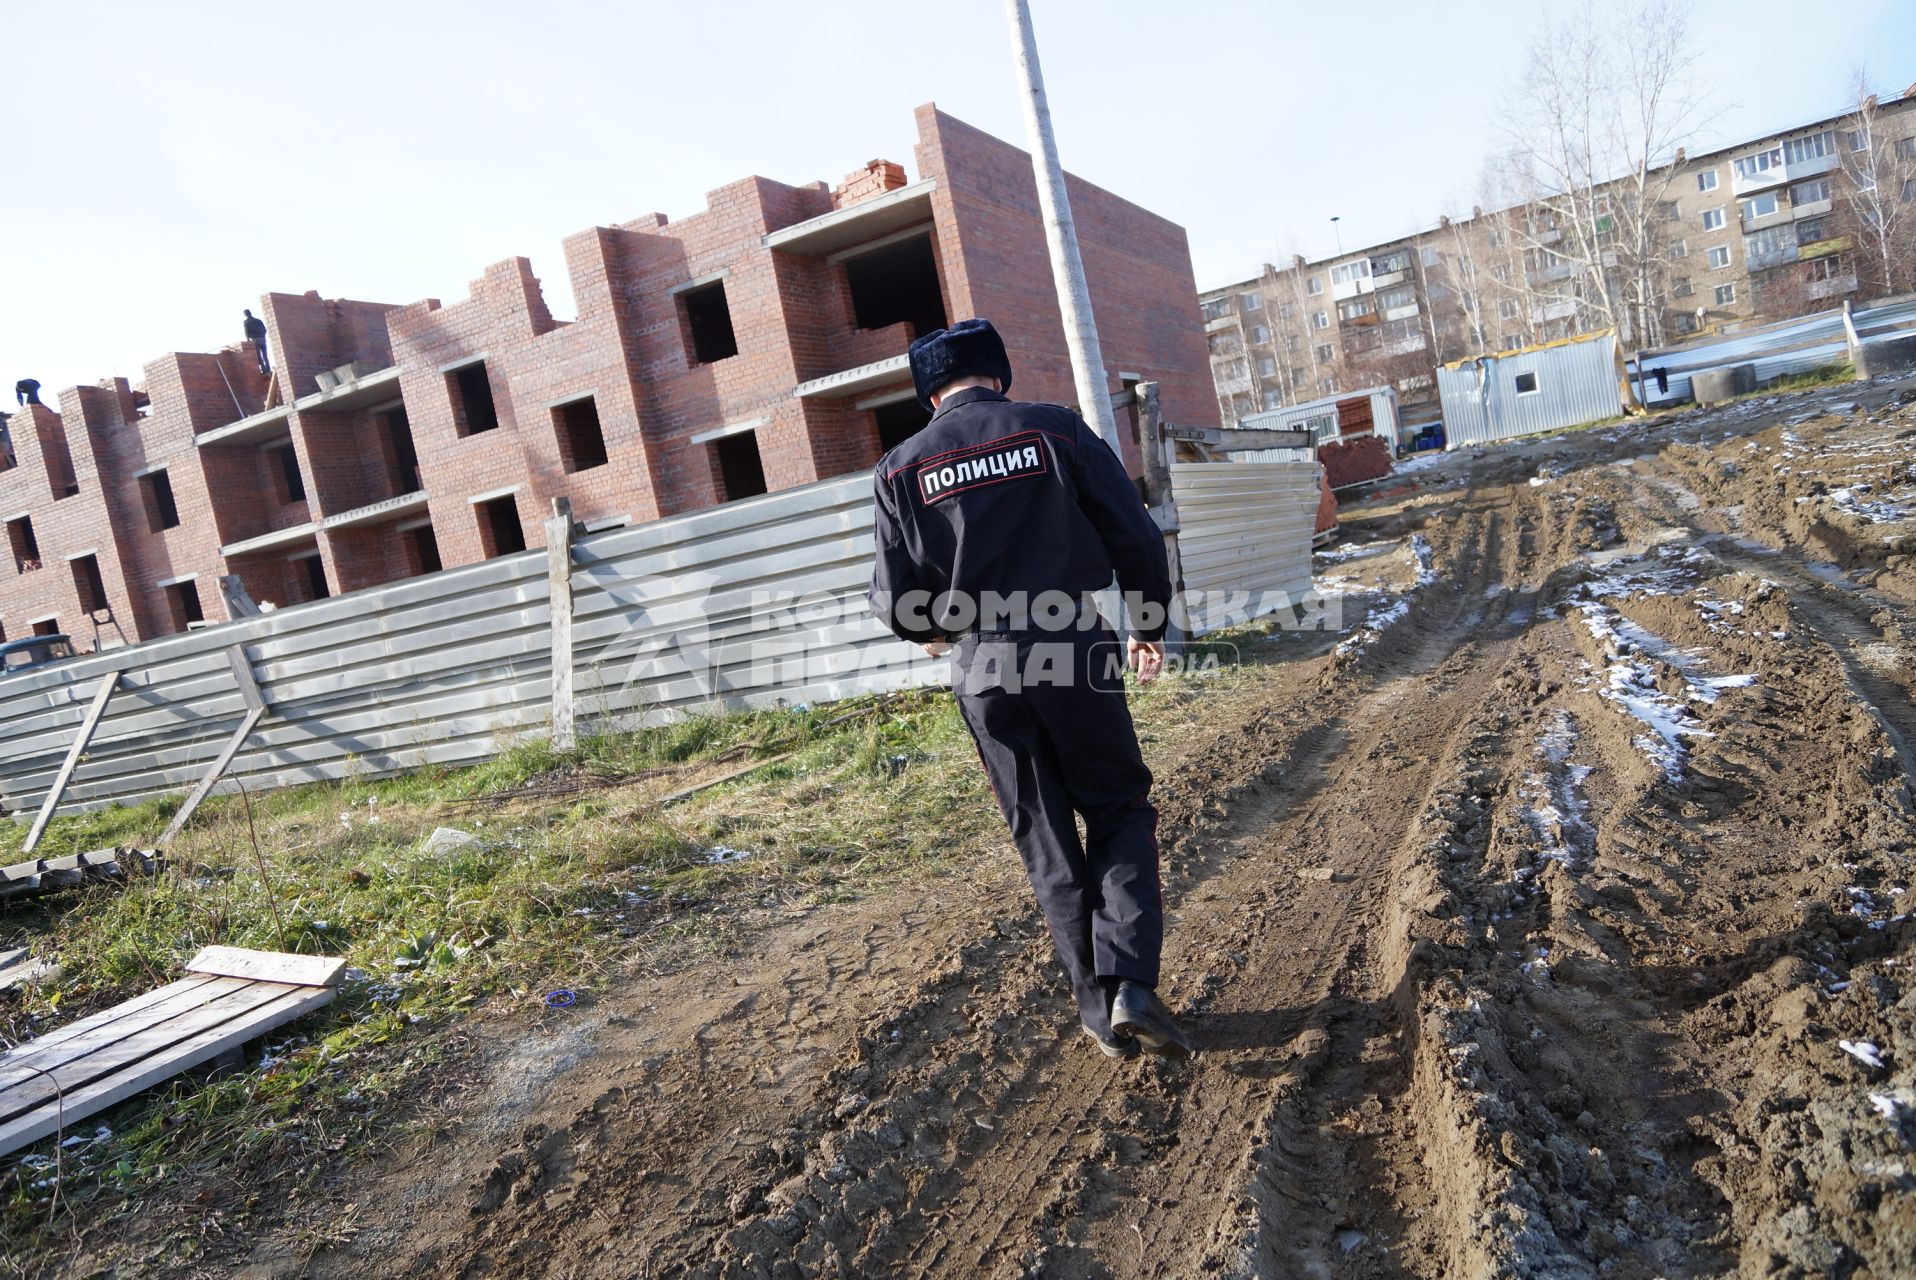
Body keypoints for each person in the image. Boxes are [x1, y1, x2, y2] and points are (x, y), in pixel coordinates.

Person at [868, 318, 1193, 1060]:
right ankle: (1130, 985)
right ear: (999, 372)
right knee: (1116, 806)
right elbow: (1135, 535)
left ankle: (1095, 1012)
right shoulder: (1056, 431)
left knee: (1043, 835)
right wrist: (1147, 622)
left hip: (983, 668)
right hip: (1071, 645)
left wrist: (937, 629)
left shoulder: (897, 470)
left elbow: (894, 597)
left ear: (928, 394)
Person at [244, 309, 271, 376]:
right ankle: (268, 369)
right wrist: (262, 336)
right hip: (262, 339)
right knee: (265, 356)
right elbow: (264, 330)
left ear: (245, 314)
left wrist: (248, 339)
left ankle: (264, 370)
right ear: (250, 313)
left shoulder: (246, 322)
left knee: (259, 356)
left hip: (255, 340)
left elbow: (246, 332)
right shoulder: (258, 320)